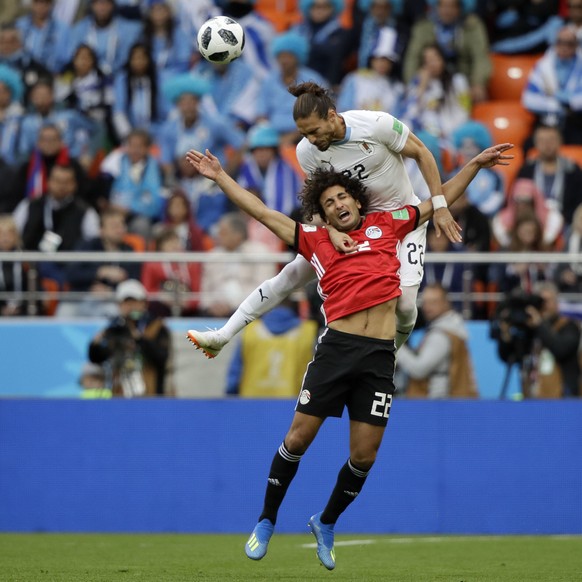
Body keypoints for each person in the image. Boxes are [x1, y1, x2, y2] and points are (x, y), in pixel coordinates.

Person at [184, 141, 511, 569]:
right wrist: (221, 177)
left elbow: (438, 199)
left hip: (379, 356)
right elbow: (263, 213)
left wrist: (475, 165)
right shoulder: (317, 240)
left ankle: (326, 520)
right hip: (337, 350)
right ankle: (266, 519)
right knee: (298, 438)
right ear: (323, 212)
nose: (338, 204)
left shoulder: (388, 225)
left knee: (364, 456)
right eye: (328, 201)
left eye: (342, 196)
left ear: (356, 200)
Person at [187, 80, 464, 359]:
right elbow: (321, 198)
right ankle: (222, 335)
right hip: (352, 223)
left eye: (314, 131)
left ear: (331, 116)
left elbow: (422, 154)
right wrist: (330, 230)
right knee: (290, 275)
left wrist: (440, 206)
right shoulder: (307, 153)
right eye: (303, 133)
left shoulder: (377, 125)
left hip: (402, 220)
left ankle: (388, 360)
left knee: (404, 306)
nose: (310, 140)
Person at [493, 281, 581, 398]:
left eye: (547, 301)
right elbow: (509, 357)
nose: (544, 306)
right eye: (540, 301)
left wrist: (539, 324)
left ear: (557, 303)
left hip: (564, 397)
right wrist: (506, 334)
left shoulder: (569, 327)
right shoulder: (530, 331)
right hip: (532, 397)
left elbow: (560, 349)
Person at [88, 278, 173, 397]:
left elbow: (161, 358)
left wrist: (139, 339)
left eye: (134, 301)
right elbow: (97, 359)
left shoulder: (157, 327)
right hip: (120, 393)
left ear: (144, 303)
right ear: (119, 305)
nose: (131, 307)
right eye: (126, 302)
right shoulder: (115, 329)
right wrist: (95, 345)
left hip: (151, 394)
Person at [397, 283, 478, 398]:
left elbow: (419, 369)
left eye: (434, 302)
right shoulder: (454, 326)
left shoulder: (442, 334)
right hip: (449, 398)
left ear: (446, 303)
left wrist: (396, 345)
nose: (427, 307)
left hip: (440, 400)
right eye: (425, 302)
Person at [225, 300, 319, 397]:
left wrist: (231, 394)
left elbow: (236, 370)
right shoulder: (309, 331)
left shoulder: (250, 330)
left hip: (251, 401)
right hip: (293, 403)